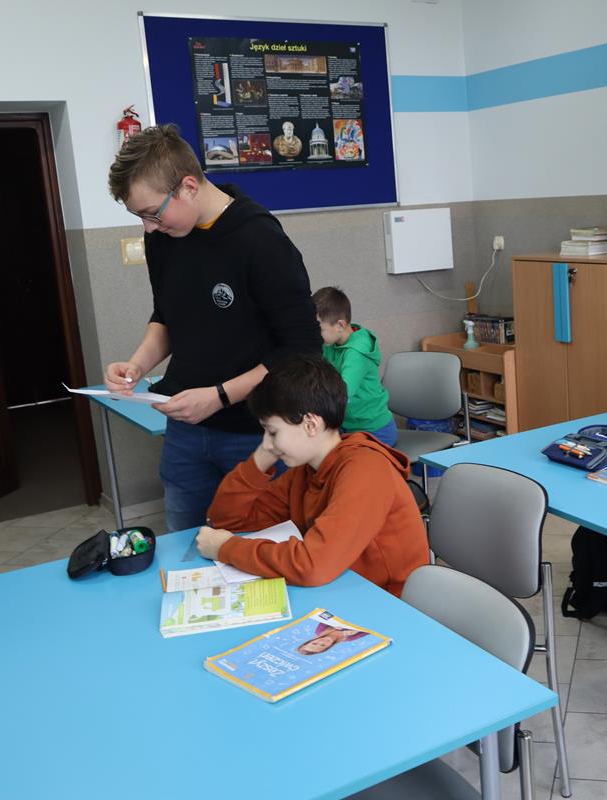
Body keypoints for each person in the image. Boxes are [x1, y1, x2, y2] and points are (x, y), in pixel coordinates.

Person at [106, 124, 321, 532]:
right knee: (186, 545)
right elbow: (167, 315)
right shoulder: (165, 237)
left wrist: (220, 396)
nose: (148, 227)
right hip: (186, 432)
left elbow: (303, 349)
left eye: (152, 212)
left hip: (258, 433)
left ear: (188, 187)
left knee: (259, 548)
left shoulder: (260, 239)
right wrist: (137, 364)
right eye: (139, 217)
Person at [194, 354, 429, 597]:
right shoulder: (306, 470)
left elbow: (313, 566)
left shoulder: (366, 470)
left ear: (311, 425)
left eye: (272, 432)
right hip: (341, 586)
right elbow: (229, 521)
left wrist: (227, 549)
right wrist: (261, 459)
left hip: (389, 600)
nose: (267, 443)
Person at [312, 286, 397, 447]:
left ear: (340, 325)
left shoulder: (356, 353)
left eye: (320, 329)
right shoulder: (331, 343)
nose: (316, 334)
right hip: (347, 426)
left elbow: (343, 393)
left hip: (374, 430)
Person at [296, 623, 368, 655]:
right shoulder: (350, 638)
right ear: (329, 647)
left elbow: (326, 614)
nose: (322, 641)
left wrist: (333, 623)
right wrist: (357, 629)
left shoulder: (320, 631)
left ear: (311, 640)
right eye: (323, 645)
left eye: (314, 643)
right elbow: (369, 630)